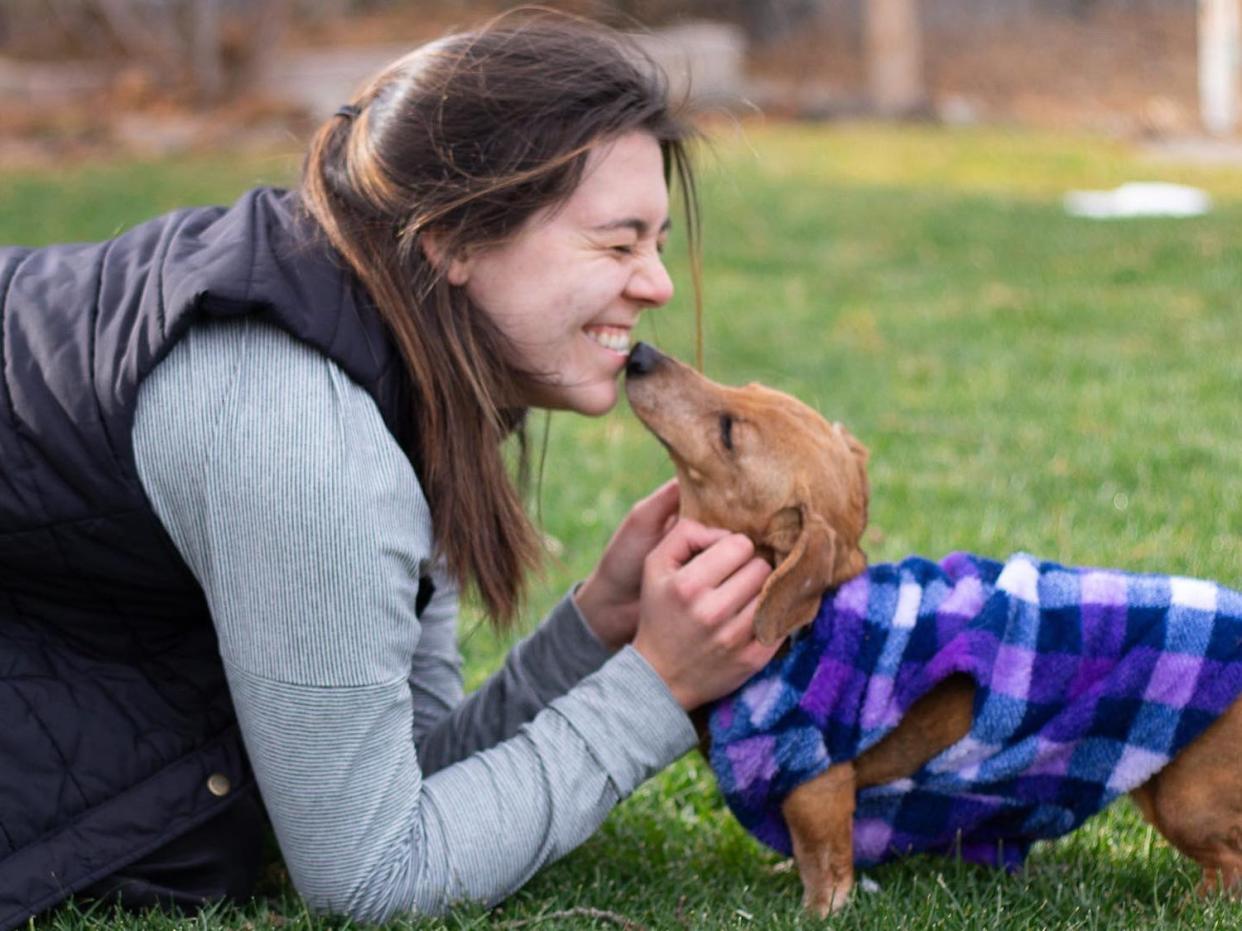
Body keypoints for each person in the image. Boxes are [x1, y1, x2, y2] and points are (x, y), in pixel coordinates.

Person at [0, 11, 782, 927]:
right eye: (617, 243)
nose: (658, 285)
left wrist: (597, 629)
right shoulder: (305, 437)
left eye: (655, 243)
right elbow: (374, 875)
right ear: (451, 237)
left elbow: (402, 780)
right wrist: (653, 688)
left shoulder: (397, 372)